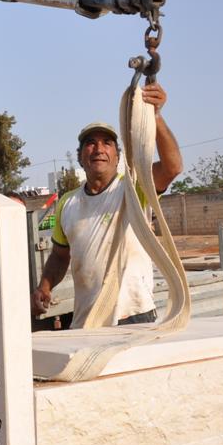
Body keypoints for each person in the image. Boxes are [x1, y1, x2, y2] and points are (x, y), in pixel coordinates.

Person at [32, 82, 183, 328]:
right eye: (91, 143)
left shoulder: (134, 189)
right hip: (87, 320)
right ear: (80, 156)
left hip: (133, 315)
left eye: (107, 143)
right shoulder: (67, 203)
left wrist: (155, 116)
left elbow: (172, 168)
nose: (98, 149)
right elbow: (60, 256)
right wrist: (44, 287)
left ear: (118, 156)